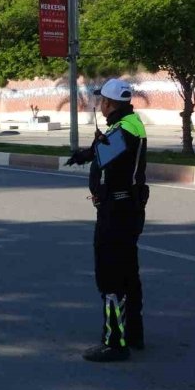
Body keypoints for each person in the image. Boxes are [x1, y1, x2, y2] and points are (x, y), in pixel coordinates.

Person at [65, 78, 149, 363]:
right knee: (129, 274)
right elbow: (104, 152)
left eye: (102, 100)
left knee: (110, 276)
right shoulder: (130, 124)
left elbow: (104, 158)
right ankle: (133, 333)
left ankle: (114, 342)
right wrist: (84, 155)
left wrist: (94, 149)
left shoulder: (122, 132)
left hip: (116, 211)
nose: (100, 104)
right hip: (129, 208)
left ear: (110, 104)